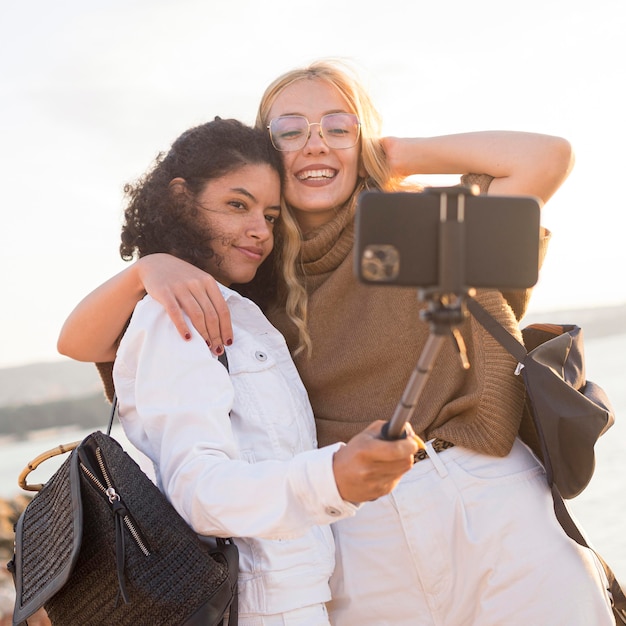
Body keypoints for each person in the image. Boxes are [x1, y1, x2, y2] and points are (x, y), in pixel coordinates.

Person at [58, 62, 615, 625]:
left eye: (337, 127)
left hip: (490, 494)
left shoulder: (422, 224)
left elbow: (546, 158)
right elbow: (81, 342)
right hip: (353, 526)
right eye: (291, 131)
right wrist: (145, 269)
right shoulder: (251, 268)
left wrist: (390, 153)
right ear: (265, 153)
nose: (315, 144)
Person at [73, 116, 418, 625]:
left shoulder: (240, 313)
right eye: (238, 205)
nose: (260, 230)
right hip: (260, 607)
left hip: (290, 596)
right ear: (181, 200)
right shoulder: (177, 316)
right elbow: (196, 489)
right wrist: (334, 477)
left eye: (272, 216)